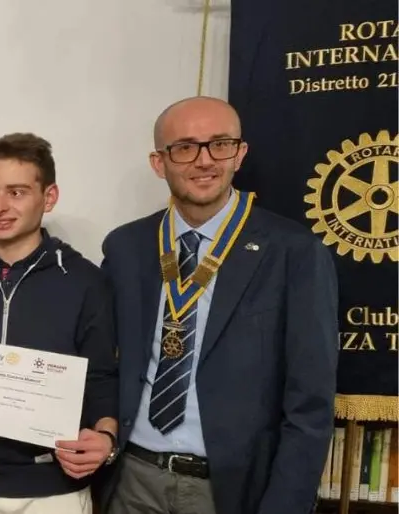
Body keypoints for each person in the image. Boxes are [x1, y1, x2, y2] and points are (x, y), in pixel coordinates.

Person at [100, 96, 338, 514]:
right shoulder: (125, 247)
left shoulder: (294, 252)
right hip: (132, 479)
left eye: (220, 144)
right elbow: (102, 361)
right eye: (185, 147)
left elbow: (310, 405)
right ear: (160, 163)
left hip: (231, 490)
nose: (204, 160)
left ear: (240, 154)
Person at [0, 133, 119, 514]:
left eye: (16, 192)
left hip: (53, 491)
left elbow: (101, 376)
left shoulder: (85, 281)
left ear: (49, 197)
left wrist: (105, 438)